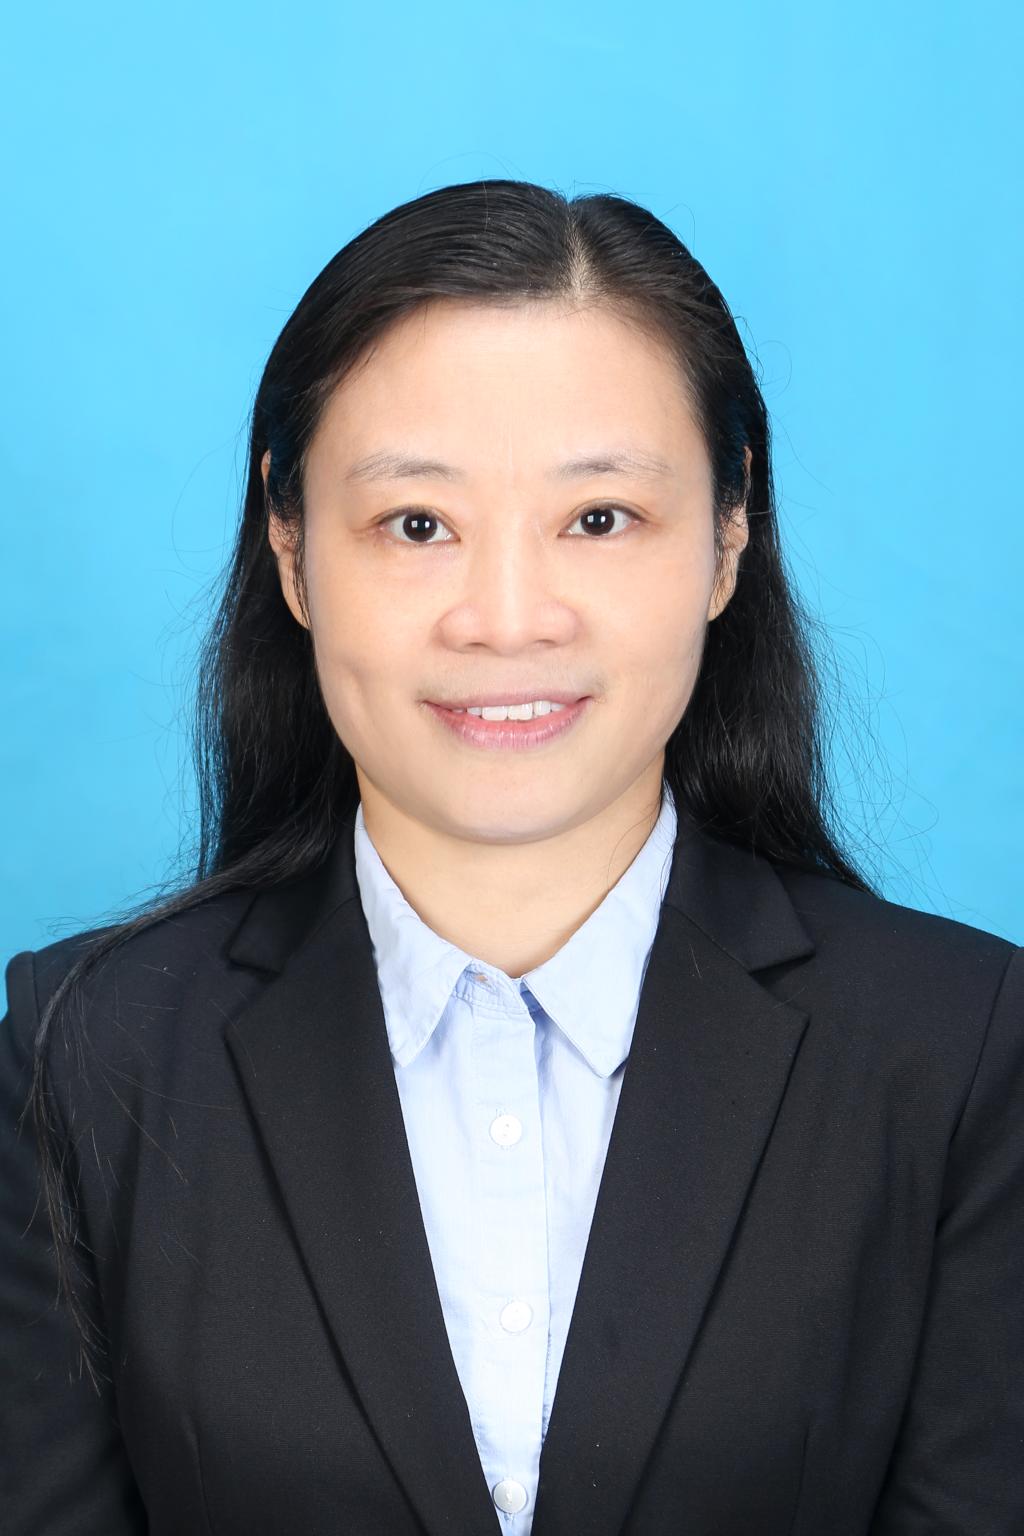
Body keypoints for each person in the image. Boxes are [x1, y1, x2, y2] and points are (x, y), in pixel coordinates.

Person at [2, 178, 1021, 1536]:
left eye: (599, 518)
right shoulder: (81, 1055)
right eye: (417, 525)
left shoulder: (962, 1054)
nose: (505, 618)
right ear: (292, 549)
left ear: (729, 536)